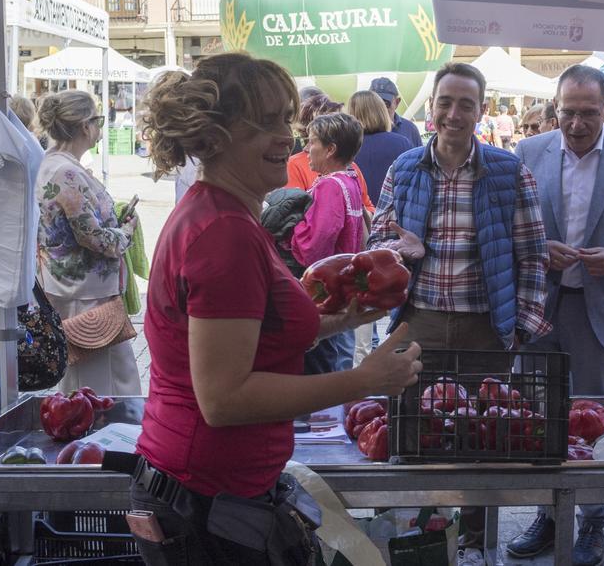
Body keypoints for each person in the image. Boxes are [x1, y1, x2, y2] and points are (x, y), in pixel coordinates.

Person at [131, 53, 420, 564]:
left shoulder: (222, 215)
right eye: (266, 124)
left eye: (287, 119)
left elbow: (251, 340)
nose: (287, 137)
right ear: (215, 136)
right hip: (207, 499)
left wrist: (339, 321)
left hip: (203, 490)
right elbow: (223, 399)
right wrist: (364, 380)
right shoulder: (225, 232)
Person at [367, 62, 550, 563]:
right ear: (432, 108)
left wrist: (521, 328)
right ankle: (416, 532)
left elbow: (533, 254)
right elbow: (375, 242)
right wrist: (400, 248)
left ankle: (474, 540)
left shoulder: (508, 171)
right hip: (418, 321)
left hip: (484, 327)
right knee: (413, 434)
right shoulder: (404, 168)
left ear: (480, 110)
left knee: (483, 439)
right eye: (445, 102)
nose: (453, 113)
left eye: (465, 104)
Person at [512, 65, 604, 565]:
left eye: (588, 113)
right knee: (538, 417)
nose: (577, 123)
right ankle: (547, 516)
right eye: (568, 112)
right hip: (540, 309)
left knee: (595, 420)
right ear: (555, 109)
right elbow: (515, 226)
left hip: (599, 310)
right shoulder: (529, 153)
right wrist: (537, 247)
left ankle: (593, 523)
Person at [35, 90, 141, 395]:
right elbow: (94, 238)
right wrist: (127, 232)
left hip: (73, 290)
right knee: (101, 387)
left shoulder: (53, 163)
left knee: (92, 382)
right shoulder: (66, 171)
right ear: (85, 126)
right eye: (98, 120)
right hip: (85, 296)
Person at [289, 113, 368, 375]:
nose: (306, 149)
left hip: (323, 291)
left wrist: (291, 227)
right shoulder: (350, 180)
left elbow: (315, 246)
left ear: (331, 149)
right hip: (341, 289)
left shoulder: (330, 187)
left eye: (312, 142)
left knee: (320, 360)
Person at [285, 93, 375, 214]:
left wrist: (353, 216)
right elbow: (293, 214)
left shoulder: (349, 167)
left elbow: (368, 207)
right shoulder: (294, 165)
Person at [347, 90, 414, 196]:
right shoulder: (402, 143)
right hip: (393, 209)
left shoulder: (344, 147)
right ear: (382, 112)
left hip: (357, 211)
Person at [369, 77, 422, 149]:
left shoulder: (410, 129)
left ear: (397, 102)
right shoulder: (360, 130)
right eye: (375, 103)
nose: (380, 108)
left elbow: (420, 158)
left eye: (385, 103)